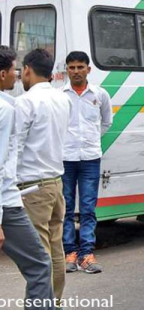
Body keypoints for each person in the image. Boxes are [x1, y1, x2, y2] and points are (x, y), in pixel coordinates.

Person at [0, 47, 55, 310]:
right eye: (13, 69)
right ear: (2, 74)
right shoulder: (5, 110)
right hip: (6, 205)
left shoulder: (11, 105)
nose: (17, 75)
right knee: (40, 265)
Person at [15, 49, 70, 301]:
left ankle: (42, 304)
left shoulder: (26, 102)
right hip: (56, 183)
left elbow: (14, 145)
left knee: (40, 255)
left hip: (33, 188)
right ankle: (55, 302)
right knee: (55, 249)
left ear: (27, 69)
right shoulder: (62, 98)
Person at [62, 51, 112, 274]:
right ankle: (69, 253)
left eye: (80, 67)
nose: (76, 71)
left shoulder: (100, 95)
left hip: (91, 158)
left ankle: (87, 255)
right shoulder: (60, 96)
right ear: (67, 70)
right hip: (65, 158)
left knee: (88, 208)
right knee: (65, 208)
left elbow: (106, 123)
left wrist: (90, 140)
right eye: (71, 67)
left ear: (88, 69)